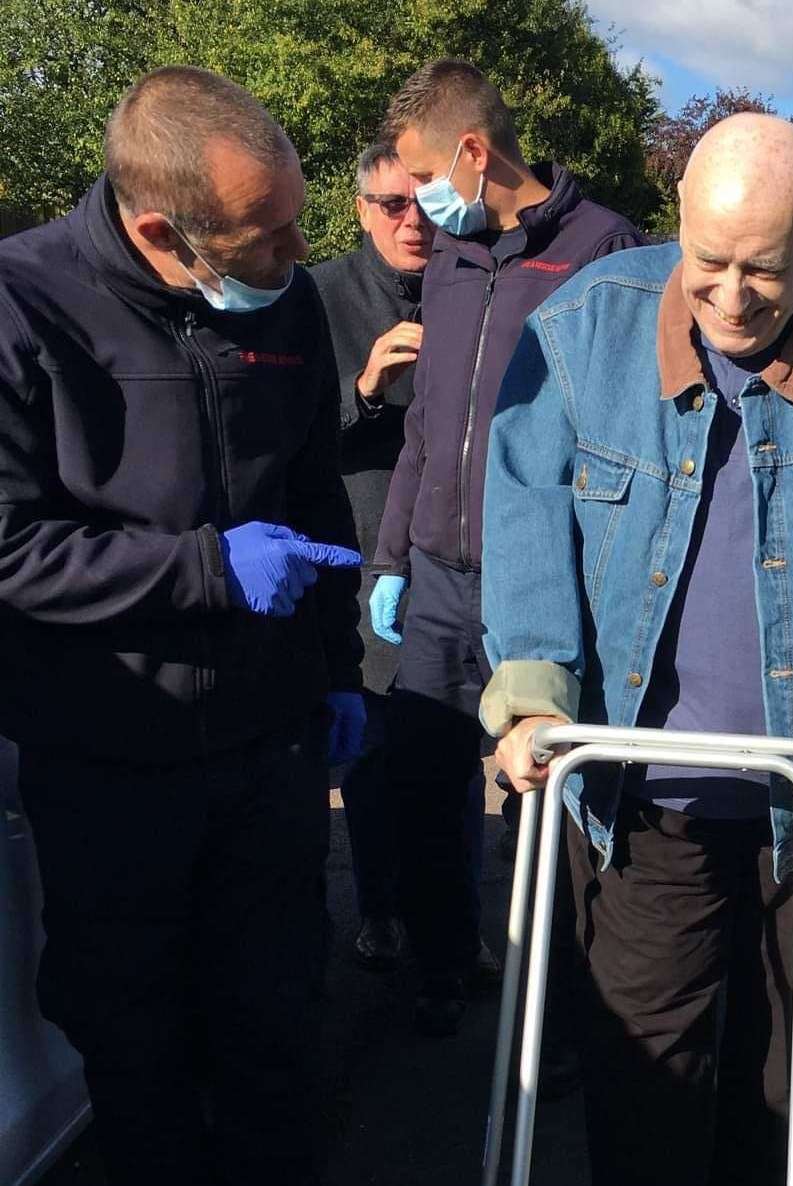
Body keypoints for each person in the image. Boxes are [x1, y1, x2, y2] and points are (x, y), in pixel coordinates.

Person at [482, 113, 793, 1185]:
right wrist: (528, 697)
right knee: (645, 1072)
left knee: (788, 1085)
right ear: (677, 228)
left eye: (768, 269)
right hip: (648, 800)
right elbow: (526, 526)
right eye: (710, 262)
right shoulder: (581, 329)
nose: (734, 296)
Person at [0, 67, 364, 1185]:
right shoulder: (24, 307)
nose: (299, 252)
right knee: (137, 1036)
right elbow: (12, 546)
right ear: (164, 231)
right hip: (112, 754)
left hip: (266, 741)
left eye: (299, 218)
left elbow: (311, 497)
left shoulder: (284, 303)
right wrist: (206, 569)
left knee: (277, 1018)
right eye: (267, 234)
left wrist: (338, 669)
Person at [369, 59, 645, 1036]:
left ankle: (556, 1012)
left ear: (474, 153)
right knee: (418, 783)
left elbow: (629, 436)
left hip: (548, 585)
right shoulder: (447, 263)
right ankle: (444, 971)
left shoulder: (608, 250)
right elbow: (428, 424)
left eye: (422, 178)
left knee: (546, 809)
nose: (415, 204)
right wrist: (391, 558)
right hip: (439, 580)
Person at [310, 141, 432, 969]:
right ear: (361, 209)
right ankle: (383, 911)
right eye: (391, 204)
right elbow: (277, 442)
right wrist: (361, 388)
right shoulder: (313, 296)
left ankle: (451, 934)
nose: (411, 220)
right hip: (359, 550)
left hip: (451, 551)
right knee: (375, 757)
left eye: (425, 202)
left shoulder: (472, 287)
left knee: (455, 754)